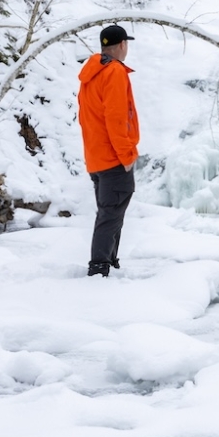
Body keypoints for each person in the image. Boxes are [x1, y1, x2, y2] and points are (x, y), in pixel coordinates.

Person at [78, 24, 140, 277]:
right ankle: (100, 267)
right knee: (110, 216)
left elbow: (87, 118)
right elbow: (116, 118)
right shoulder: (113, 72)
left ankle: (108, 263)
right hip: (114, 158)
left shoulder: (91, 74)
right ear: (123, 45)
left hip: (97, 157)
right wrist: (126, 156)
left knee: (110, 214)